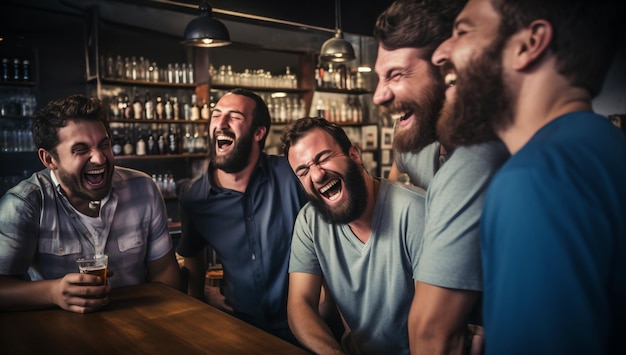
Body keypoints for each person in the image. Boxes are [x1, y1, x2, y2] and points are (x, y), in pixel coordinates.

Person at [431, 0, 626, 353]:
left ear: (528, 44)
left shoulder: (534, 180)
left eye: (462, 31)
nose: (440, 53)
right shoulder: (606, 146)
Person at [372, 0, 509, 352]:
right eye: (379, 77)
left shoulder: (476, 157)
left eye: (396, 75)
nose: (378, 95)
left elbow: (431, 336)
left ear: (445, 65)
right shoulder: (420, 148)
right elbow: (398, 169)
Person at [283, 116, 454, 354]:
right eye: (303, 171)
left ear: (354, 155)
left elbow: (435, 325)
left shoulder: (415, 212)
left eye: (323, 158)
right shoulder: (309, 220)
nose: (317, 175)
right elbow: (299, 305)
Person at [0, 94, 181, 314]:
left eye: (104, 145)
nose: (99, 158)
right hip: (61, 334)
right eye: (81, 149)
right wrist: (53, 292)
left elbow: (165, 271)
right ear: (49, 159)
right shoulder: (25, 203)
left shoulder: (143, 188)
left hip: (140, 322)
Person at [176, 88, 308, 344]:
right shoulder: (194, 197)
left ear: (259, 132)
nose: (221, 123)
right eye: (216, 115)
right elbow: (193, 263)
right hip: (238, 329)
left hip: (303, 327)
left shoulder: (291, 175)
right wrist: (201, 299)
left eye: (234, 116)